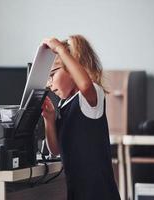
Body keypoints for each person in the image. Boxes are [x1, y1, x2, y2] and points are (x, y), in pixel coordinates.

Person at [41, 35, 121, 200]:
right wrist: (49, 119)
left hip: (99, 193)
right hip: (78, 192)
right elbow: (55, 150)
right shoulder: (64, 105)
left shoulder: (92, 96)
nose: (48, 84)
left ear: (71, 69)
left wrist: (61, 50)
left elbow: (85, 85)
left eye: (52, 75)